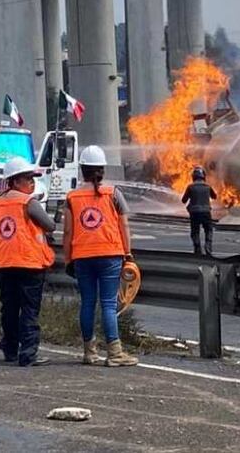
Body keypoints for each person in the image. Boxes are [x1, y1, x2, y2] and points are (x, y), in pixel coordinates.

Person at [63, 145, 138, 367]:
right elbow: (124, 224)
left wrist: (68, 260)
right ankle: (114, 353)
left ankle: (89, 352)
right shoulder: (113, 194)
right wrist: (128, 253)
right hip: (110, 254)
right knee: (107, 303)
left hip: (82, 256)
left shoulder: (72, 198)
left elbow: (67, 232)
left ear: (82, 170)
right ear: (102, 170)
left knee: (87, 302)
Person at [0, 157, 56, 367]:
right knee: (29, 310)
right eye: (29, 179)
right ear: (16, 180)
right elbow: (50, 225)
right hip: (29, 264)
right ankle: (28, 353)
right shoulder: (29, 202)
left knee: (9, 308)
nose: (32, 183)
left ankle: (10, 349)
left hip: (5, 263)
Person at [181, 166, 218, 255]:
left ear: (193, 177)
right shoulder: (208, 186)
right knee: (208, 229)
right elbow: (214, 196)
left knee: (195, 231)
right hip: (206, 212)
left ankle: (197, 248)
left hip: (194, 213)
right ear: (203, 176)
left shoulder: (190, 187)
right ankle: (208, 246)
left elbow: (184, 200)